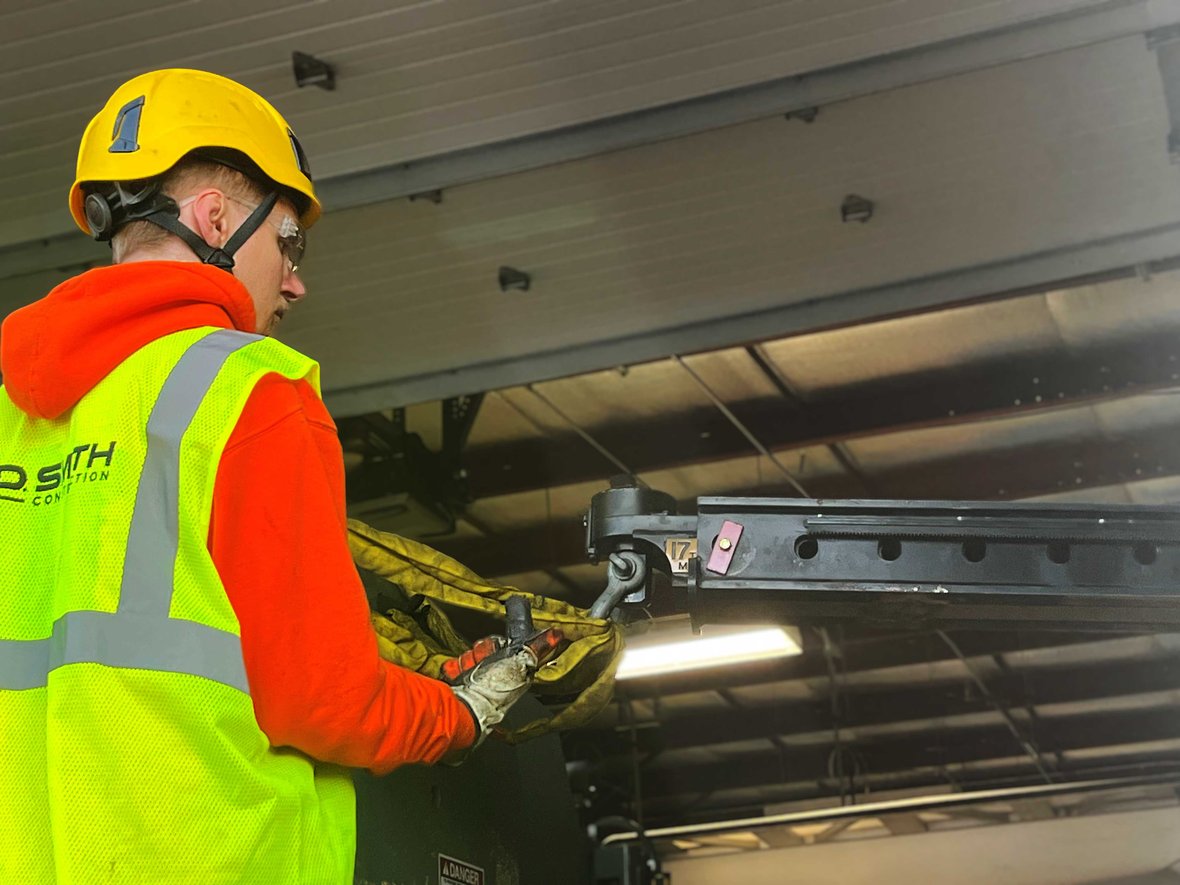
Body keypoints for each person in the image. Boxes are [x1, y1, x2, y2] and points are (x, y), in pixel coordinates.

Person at [0, 68, 536, 884]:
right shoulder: (248, 390)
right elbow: (325, 701)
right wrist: (457, 711)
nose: (295, 279)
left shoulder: (11, 410)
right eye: (289, 240)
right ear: (214, 216)